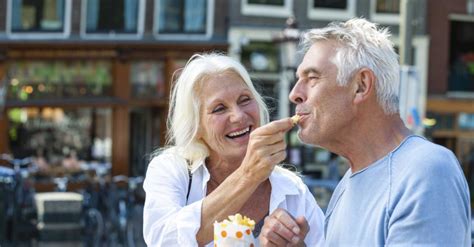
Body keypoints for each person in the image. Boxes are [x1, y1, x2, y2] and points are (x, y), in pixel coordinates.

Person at [259, 18, 471, 246]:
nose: (294, 94)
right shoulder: (347, 184)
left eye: (311, 78)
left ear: (360, 85)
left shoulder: (426, 170)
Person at [142, 53, 325, 246]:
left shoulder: (292, 189)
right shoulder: (171, 169)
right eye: (219, 108)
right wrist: (248, 176)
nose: (238, 116)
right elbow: (164, 240)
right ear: (196, 128)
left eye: (245, 99)